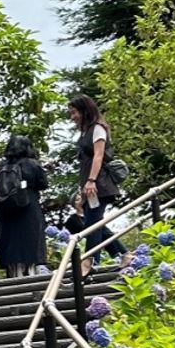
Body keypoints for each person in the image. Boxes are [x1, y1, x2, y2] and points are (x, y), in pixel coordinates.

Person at [68, 94, 116, 275]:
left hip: (99, 184)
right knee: (93, 222)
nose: (72, 117)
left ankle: (89, 260)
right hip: (89, 185)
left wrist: (91, 180)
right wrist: (82, 188)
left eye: (74, 112)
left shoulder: (98, 129)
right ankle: (124, 254)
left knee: (92, 222)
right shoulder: (85, 131)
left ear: (84, 110)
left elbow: (99, 155)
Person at [0, 134, 48, 278]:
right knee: (30, 250)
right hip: (28, 209)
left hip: (6, 213)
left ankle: (14, 276)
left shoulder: (1, 167)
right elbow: (43, 184)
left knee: (13, 251)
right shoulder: (32, 164)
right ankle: (31, 277)